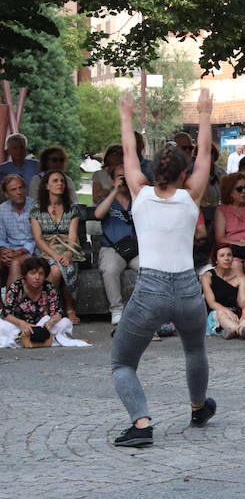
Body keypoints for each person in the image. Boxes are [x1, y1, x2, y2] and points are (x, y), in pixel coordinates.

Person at [108, 89, 219, 448]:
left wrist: (125, 115)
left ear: (152, 170)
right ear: (183, 171)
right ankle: (199, 407)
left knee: (123, 362)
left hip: (151, 289)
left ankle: (141, 424)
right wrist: (204, 114)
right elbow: (204, 153)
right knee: (194, 349)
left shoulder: (139, 193)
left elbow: (128, 152)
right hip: (188, 287)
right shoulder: (192, 196)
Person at [29, 169, 82, 323]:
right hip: (45, 250)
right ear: (46, 186)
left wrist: (67, 254)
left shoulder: (72, 208)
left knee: (64, 266)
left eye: (62, 181)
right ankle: (56, 309)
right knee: (55, 269)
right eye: (55, 181)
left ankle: (61, 309)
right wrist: (55, 255)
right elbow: (38, 239)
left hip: (68, 249)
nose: (60, 183)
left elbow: (72, 236)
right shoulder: (36, 209)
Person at [0, 256, 84, 349]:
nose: (37, 277)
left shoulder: (48, 287)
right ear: (25, 274)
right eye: (32, 273)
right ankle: (28, 339)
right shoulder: (16, 287)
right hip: (19, 326)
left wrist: (51, 321)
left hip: (41, 326)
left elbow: (57, 312)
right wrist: (22, 323)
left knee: (66, 322)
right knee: (2, 325)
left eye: (41, 274)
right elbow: (6, 314)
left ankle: (28, 340)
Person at [94, 163, 140, 326]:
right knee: (110, 269)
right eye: (120, 176)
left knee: (149, 269)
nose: (124, 179)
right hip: (112, 248)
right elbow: (98, 214)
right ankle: (117, 309)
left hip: (135, 249)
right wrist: (114, 191)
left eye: (127, 176)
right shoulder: (107, 199)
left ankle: (145, 309)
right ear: (113, 180)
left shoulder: (138, 199)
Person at [201, 244, 245, 340]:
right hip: (217, 313)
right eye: (222, 255)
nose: (226, 258)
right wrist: (227, 311)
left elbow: (244, 299)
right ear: (216, 260)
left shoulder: (240, 276)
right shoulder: (207, 276)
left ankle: (237, 329)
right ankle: (240, 330)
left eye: (229, 255)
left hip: (235, 312)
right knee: (220, 313)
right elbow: (211, 303)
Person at [214, 171, 245, 282]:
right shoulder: (221, 210)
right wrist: (241, 243)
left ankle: (243, 299)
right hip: (232, 249)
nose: (244, 192)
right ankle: (241, 299)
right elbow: (220, 239)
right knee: (235, 266)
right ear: (230, 192)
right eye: (239, 189)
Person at [0, 174, 34, 284]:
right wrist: (4, 251)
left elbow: (38, 238)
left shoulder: (35, 207)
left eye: (20, 188)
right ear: (6, 194)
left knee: (15, 263)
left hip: (31, 250)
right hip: (10, 249)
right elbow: (1, 237)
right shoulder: (2, 209)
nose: (18, 192)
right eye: (13, 190)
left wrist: (20, 252)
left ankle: (12, 300)